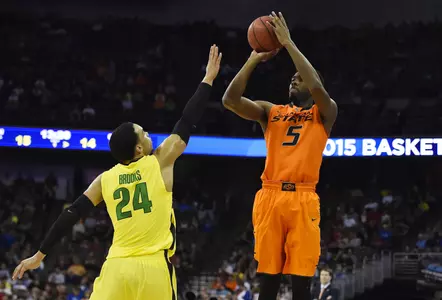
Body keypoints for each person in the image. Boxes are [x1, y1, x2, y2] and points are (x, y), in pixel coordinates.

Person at [12, 44, 223, 300]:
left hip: (117, 267)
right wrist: (208, 80)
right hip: (153, 267)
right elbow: (187, 121)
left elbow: (72, 212)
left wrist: (39, 255)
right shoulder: (159, 160)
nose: (148, 135)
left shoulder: (105, 179)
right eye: (143, 133)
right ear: (137, 148)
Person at [222, 12, 337, 300]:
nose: (293, 81)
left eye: (300, 79)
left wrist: (288, 44)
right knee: (268, 282)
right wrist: (254, 59)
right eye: (291, 78)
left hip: (303, 197)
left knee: (301, 284)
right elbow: (229, 100)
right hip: (270, 195)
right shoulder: (271, 112)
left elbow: (317, 87)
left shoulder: (324, 113)